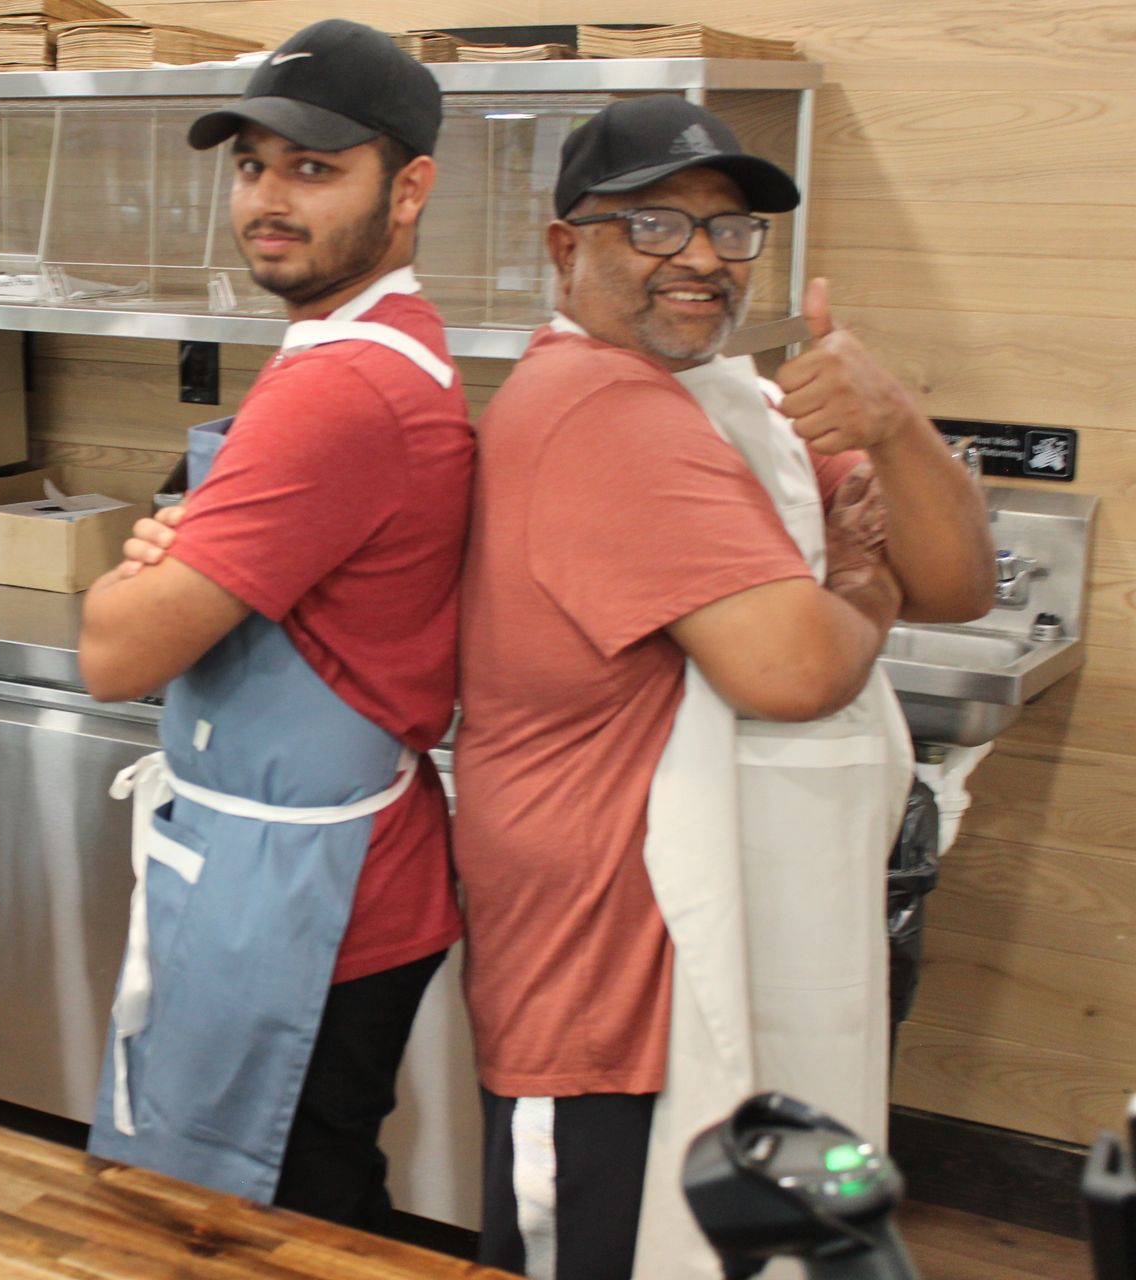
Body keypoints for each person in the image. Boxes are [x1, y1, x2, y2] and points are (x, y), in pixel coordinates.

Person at [452, 95, 995, 1280]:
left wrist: (895, 420)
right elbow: (794, 668)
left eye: (731, 226)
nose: (701, 256)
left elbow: (962, 581)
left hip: (702, 959)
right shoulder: (600, 409)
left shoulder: (733, 403)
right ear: (566, 246)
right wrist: (860, 584)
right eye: (653, 224)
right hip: (608, 985)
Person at [75, 19, 473, 1232]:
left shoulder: (338, 391)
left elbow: (114, 653)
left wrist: (135, 578)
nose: (268, 198)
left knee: (280, 1219)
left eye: (314, 167)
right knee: (310, 1188)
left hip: (312, 895)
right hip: (318, 873)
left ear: (408, 189)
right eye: (252, 165)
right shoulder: (390, 344)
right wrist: (177, 551)